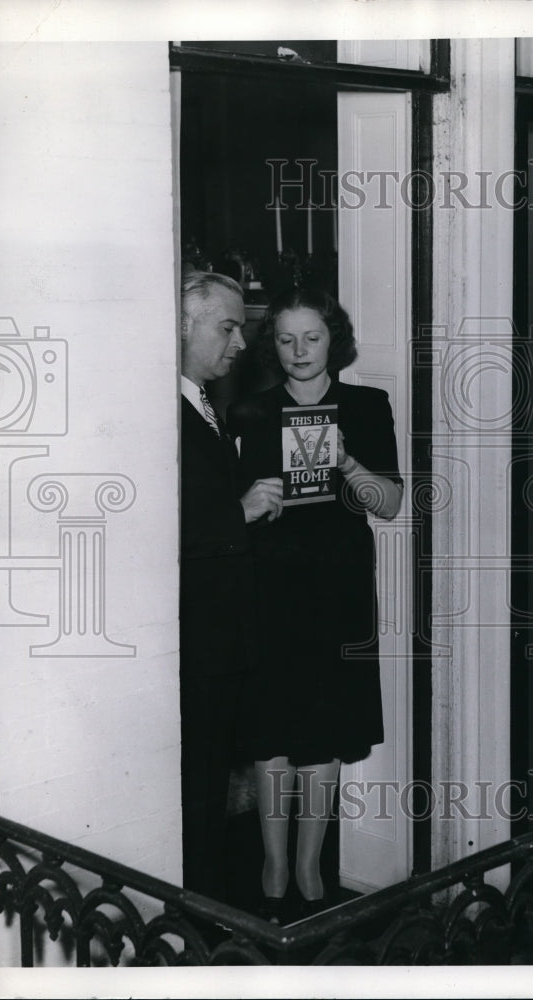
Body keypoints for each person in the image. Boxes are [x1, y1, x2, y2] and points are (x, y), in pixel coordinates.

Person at [231, 287, 403, 921]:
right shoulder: (250, 411)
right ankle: (273, 862)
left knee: (326, 727)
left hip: (339, 589)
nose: (299, 351)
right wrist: (250, 500)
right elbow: (227, 514)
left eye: (313, 337)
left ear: (335, 340)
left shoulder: (365, 405)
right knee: (271, 725)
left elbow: (388, 504)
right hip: (268, 588)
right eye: (285, 339)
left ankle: (310, 864)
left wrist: (352, 466)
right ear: (271, 344)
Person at [179, 271, 283, 902]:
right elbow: (154, 523)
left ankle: (203, 906)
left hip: (220, 636)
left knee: (210, 780)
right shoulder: (162, 410)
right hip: (196, 637)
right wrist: (237, 512)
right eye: (227, 327)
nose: (241, 343)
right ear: (183, 325)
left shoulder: (203, 403)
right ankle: (190, 914)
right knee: (194, 783)